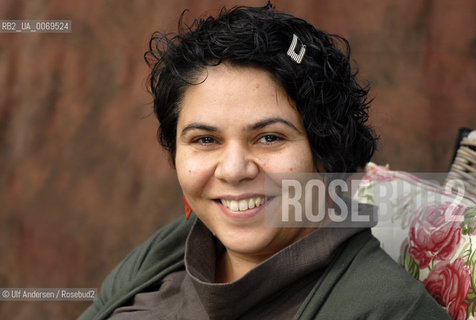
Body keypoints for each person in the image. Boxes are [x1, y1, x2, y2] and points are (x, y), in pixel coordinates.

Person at [79, 3, 451, 319]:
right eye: (205, 140)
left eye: (269, 138)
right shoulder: (170, 248)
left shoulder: (389, 309)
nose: (234, 170)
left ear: (326, 150)